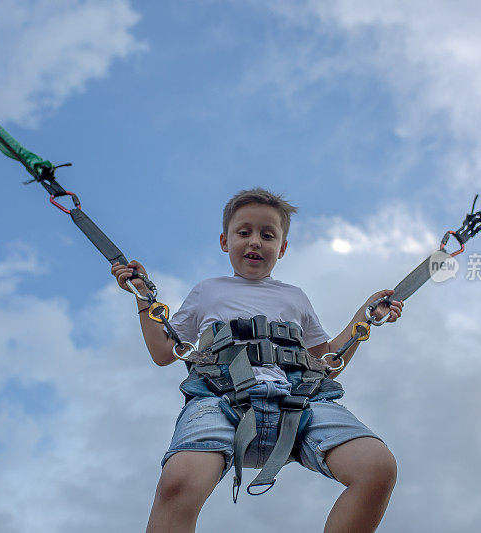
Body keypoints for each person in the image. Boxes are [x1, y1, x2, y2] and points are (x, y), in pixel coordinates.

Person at [112, 188, 403, 532]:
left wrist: (365, 317)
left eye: (268, 235)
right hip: (219, 396)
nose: (255, 242)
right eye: (244, 232)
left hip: (299, 398)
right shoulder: (208, 290)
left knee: (377, 467)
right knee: (178, 481)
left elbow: (326, 360)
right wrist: (144, 300)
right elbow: (164, 351)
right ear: (225, 241)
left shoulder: (294, 297)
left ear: (282, 248)